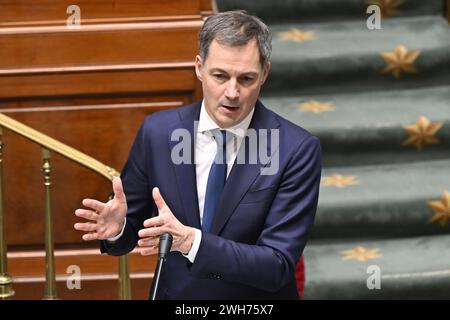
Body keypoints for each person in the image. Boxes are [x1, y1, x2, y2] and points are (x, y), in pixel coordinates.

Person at [74, 10, 321, 300]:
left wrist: (192, 242)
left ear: (264, 74)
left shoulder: (296, 148)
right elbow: (134, 230)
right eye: (220, 76)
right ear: (199, 68)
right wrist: (117, 230)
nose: (232, 92)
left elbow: (276, 265)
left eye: (246, 79)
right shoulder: (158, 133)